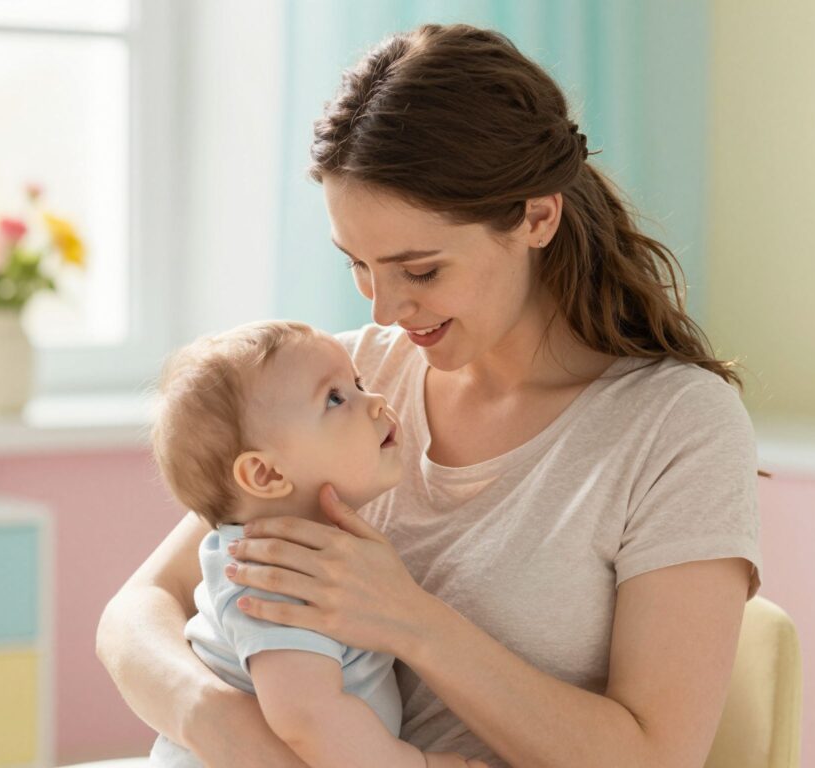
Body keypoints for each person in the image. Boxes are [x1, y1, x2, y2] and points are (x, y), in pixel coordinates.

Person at [98, 23, 763, 768]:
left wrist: (411, 620)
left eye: (420, 271)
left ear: (537, 217)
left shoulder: (674, 426)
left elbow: (655, 758)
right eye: (359, 265)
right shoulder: (345, 380)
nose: (383, 309)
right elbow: (135, 613)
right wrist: (223, 725)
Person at [146, 320, 486, 768]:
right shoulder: (271, 576)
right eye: (335, 399)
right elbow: (307, 718)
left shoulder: (294, 551)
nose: (376, 401)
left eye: (358, 383)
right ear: (266, 475)